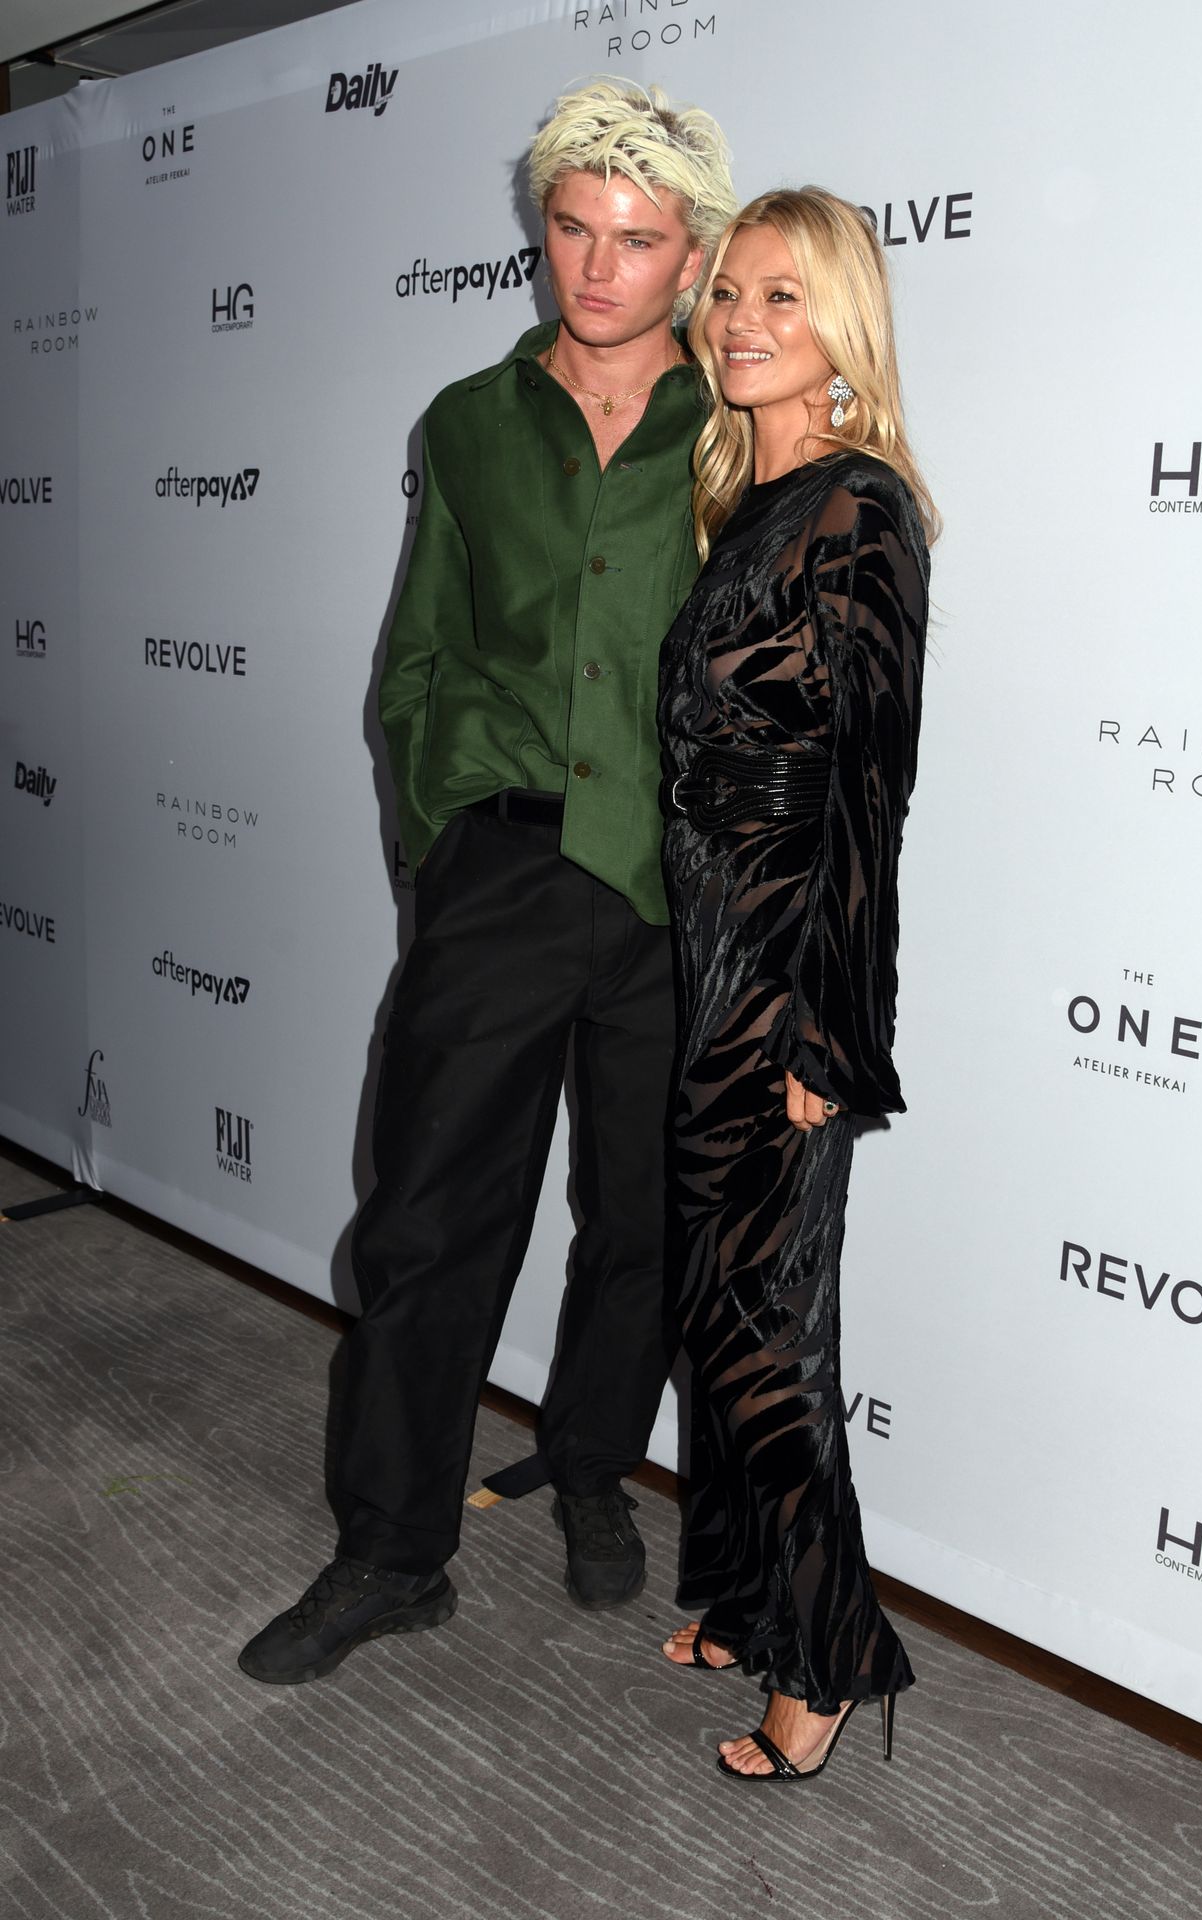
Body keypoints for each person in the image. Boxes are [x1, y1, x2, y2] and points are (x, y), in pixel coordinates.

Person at [238, 81, 736, 1685]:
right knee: (427, 1223)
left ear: (692, 257)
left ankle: (589, 1466)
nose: (595, 267)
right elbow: (418, 660)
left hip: (678, 893)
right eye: (572, 230)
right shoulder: (464, 421)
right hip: (504, 871)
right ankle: (391, 1552)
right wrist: (442, 851)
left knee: (644, 1218)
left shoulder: (742, 428)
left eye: (635, 241)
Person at [655, 188, 938, 1779]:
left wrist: (828, 1027)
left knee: (770, 1322)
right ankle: (754, 1594)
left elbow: (867, 791)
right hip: (710, 953)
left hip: (779, 968)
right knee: (716, 1291)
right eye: (730, 293)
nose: (742, 320)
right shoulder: (750, 501)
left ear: (843, 329)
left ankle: (826, 1659)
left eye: (784, 294)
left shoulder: (859, 509)